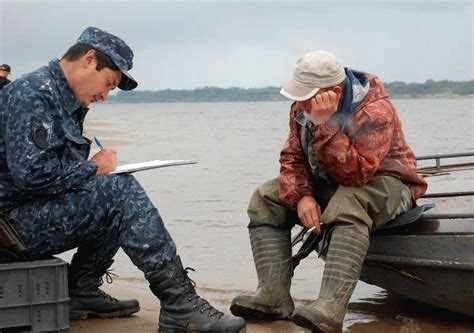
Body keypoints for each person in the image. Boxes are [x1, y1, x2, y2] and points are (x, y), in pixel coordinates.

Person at [0, 26, 245, 333]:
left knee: (115, 190)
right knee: (119, 191)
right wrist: (94, 168)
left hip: (18, 220)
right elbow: (31, 175)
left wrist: (97, 171)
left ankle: (82, 290)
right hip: (8, 230)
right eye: (108, 83)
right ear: (89, 59)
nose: (105, 95)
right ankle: (180, 303)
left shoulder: (62, 98)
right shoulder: (34, 94)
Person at [230, 50, 427, 332]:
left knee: (349, 202)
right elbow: (292, 158)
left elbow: (356, 174)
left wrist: (326, 124)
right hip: (334, 181)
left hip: (389, 184)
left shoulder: (376, 112)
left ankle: (330, 308)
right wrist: (302, 196)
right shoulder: (302, 107)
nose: (301, 103)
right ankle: (272, 296)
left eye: (307, 96)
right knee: (265, 198)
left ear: (333, 91)